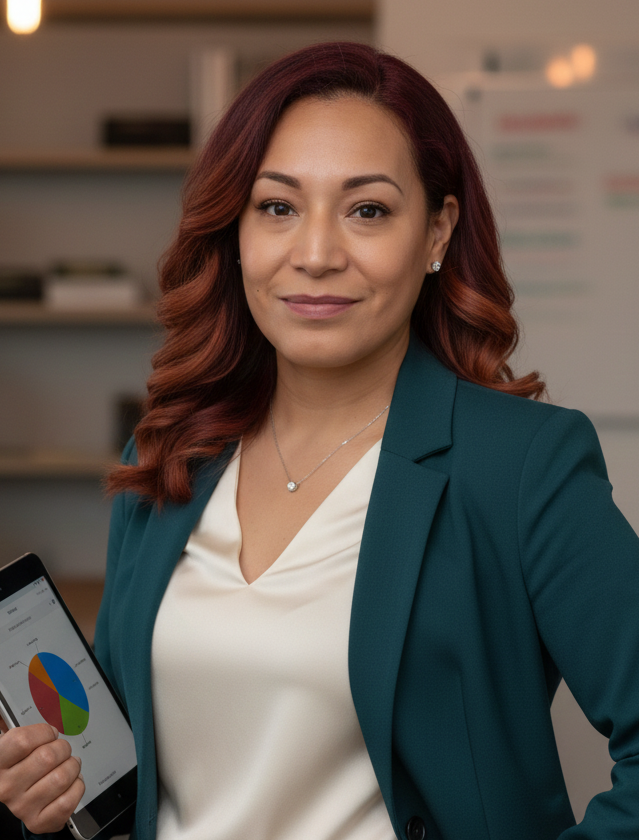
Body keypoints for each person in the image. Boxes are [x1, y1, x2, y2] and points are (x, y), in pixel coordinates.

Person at [1, 40, 639, 840]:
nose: (315, 255)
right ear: (236, 232)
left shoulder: (519, 467)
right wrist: (42, 799)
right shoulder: (170, 454)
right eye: (278, 207)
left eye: (366, 210)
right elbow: (132, 778)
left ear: (436, 232)